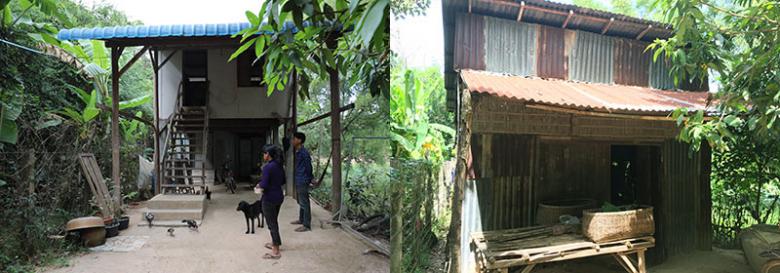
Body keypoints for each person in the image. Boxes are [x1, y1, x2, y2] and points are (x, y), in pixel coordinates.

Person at [256, 144, 285, 259]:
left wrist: (259, 185)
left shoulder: (268, 167)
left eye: (264, 153)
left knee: (272, 224)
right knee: (274, 221)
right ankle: (275, 243)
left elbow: (264, 184)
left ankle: (276, 250)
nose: (263, 155)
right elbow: (283, 181)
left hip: (269, 198)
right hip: (278, 196)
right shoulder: (279, 166)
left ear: (268, 154)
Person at [290, 132, 313, 232]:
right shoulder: (298, 151)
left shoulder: (304, 153)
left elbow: (308, 167)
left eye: (294, 139)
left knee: (304, 202)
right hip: (299, 178)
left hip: (303, 179)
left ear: (299, 140)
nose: (292, 141)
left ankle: (306, 225)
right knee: (301, 201)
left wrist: (310, 178)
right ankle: (301, 219)